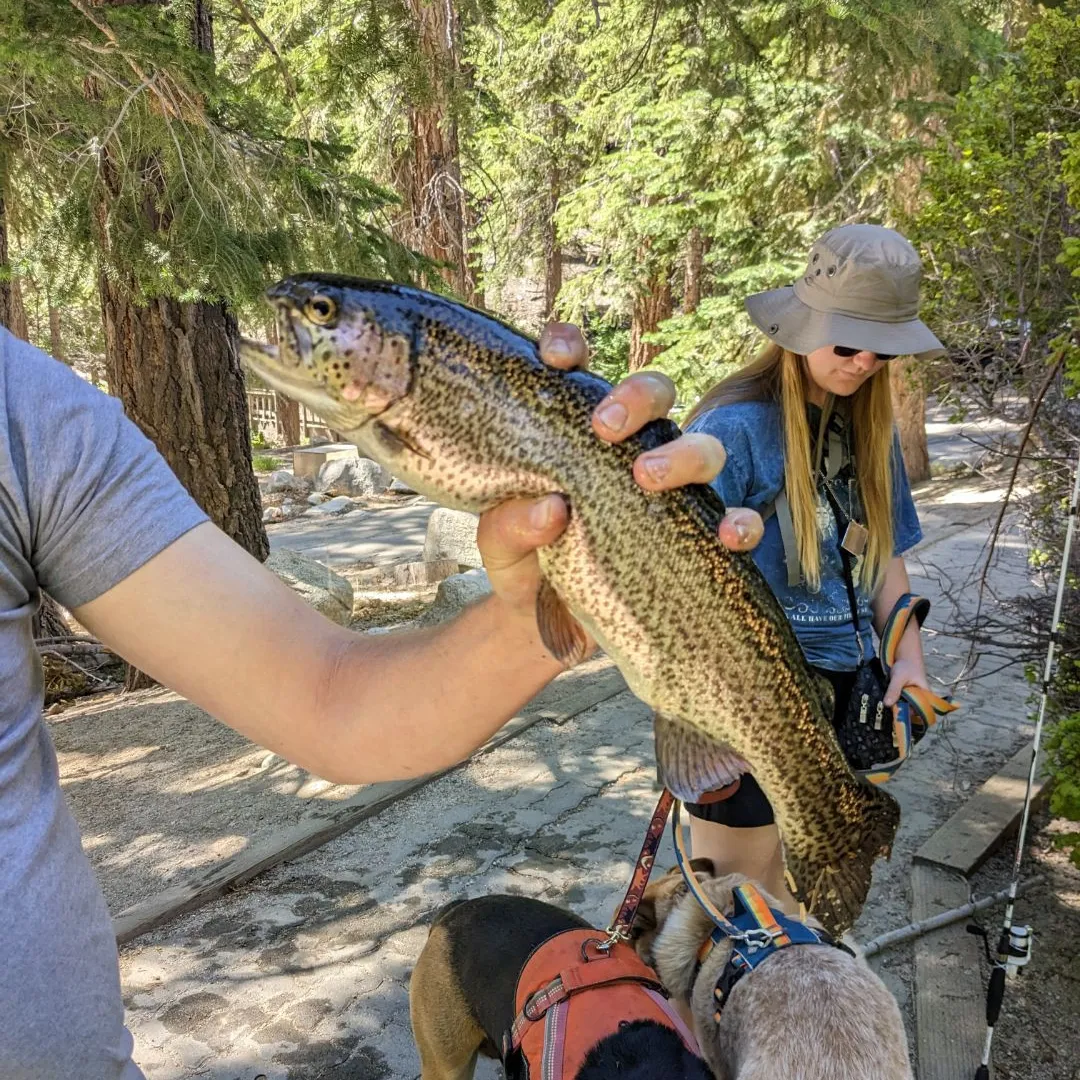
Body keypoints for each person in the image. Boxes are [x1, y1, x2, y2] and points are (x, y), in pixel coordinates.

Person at [0, 316, 762, 1078]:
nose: (287, 323)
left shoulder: (31, 414)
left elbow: (332, 699)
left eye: (324, 320)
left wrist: (556, 600)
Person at [679, 223, 946, 911]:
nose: (863, 363)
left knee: (802, 914)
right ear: (800, 327)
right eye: (848, 342)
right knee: (728, 917)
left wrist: (909, 664)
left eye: (882, 348)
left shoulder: (870, 424)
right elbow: (684, 584)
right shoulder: (733, 425)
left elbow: (883, 553)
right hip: (754, 706)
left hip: (846, 693)